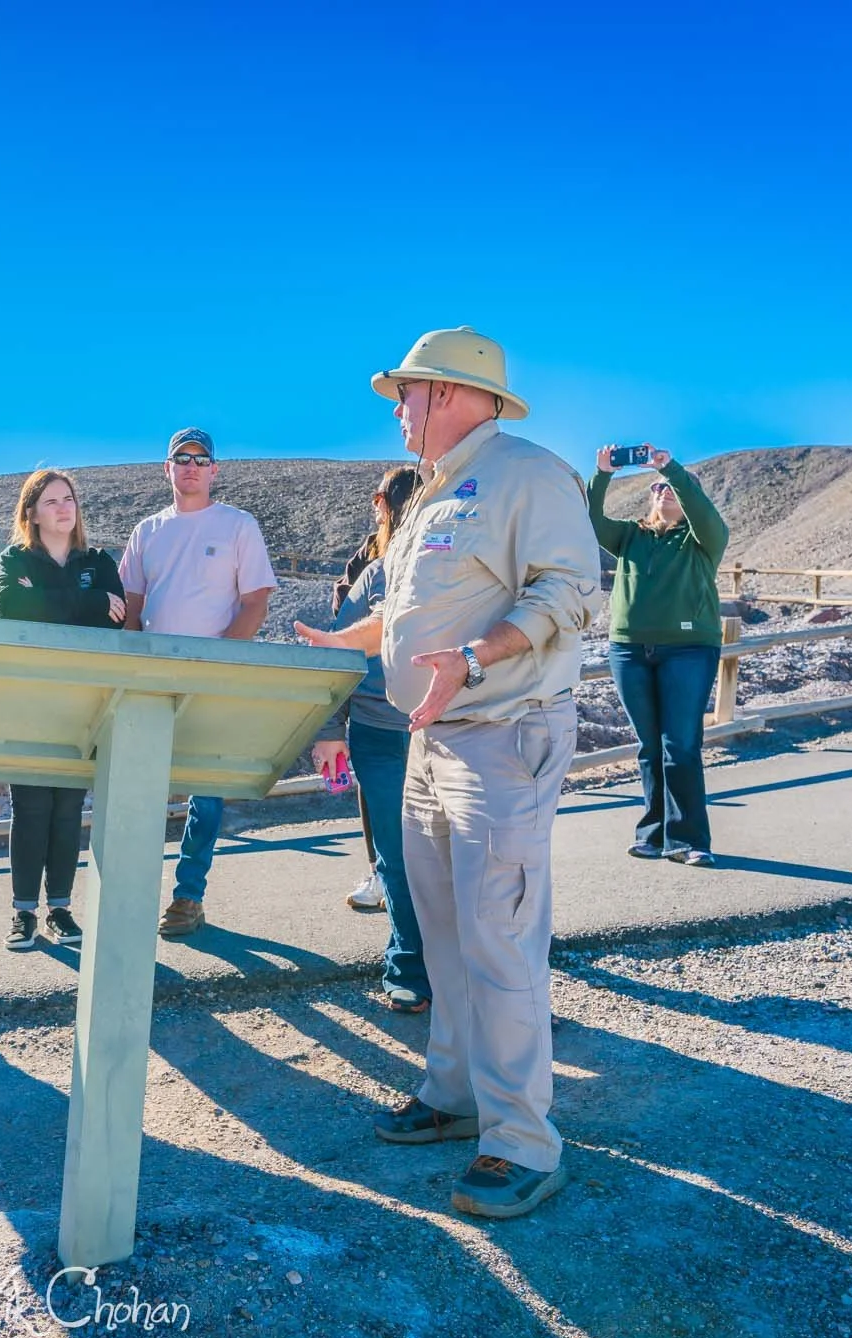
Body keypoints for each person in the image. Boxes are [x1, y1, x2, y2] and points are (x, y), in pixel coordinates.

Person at [296, 327, 599, 1219]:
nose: (396, 411)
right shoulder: (432, 495)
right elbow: (407, 608)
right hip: (433, 737)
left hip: (503, 733)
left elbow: (569, 590)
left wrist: (476, 655)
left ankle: (523, 1141)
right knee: (441, 930)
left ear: (451, 392)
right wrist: (345, 640)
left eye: (406, 395)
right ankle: (456, 1090)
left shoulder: (528, 473)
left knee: (500, 937)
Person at [118, 427, 278, 937]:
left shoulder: (237, 526)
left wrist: (220, 659)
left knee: (205, 795)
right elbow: (133, 608)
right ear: (167, 469)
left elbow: (255, 601)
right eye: (180, 458)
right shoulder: (147, 532)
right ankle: (132, 894)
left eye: (200, 459)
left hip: (213, 678)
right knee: (141, 789)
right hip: (154, 678)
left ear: (214, 470)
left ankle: (188, 896)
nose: (190, 466)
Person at [308, 465, 430, 1013]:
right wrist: (332, 731)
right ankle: (414, 965)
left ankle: (430, 970)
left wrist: (332, 732)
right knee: (408, 855)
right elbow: (340, 652)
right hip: (389, 731)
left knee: (419, 856)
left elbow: (335, 650)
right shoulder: (376, 573)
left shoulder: (439, 569)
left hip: (429, 729)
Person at [0, 468, 126, 950]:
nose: (63, 507)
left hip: (81, 698)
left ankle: (60, 910)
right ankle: (23, 913)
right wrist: (89, 601)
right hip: (30, 698)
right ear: (31, 512)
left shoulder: (98, 560)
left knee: (68, 808)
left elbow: (115, 622)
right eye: (50, 500)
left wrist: (59, 602)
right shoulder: (14, 559)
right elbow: (15, 608)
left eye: (68, 498)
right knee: (30, 806)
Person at [588, 447, 730, 866]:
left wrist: (668, 468)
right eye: (658, 488)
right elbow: (592, 521)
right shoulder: (630, 536)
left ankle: (688, 839)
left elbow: (703, 512)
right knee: (650, 746)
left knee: (680, 744)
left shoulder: (703, 539)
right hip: (629, 650)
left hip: (688, 649)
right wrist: (602, 474)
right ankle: (652, 832)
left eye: (672, 489)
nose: (664, 491)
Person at [333, 486, 398, 912]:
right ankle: (379, 871)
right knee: (374, 792)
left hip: (425, 700)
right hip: (372, 694)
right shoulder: (371, 555)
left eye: (380, 502)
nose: (375, 511)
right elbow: (343, 597)